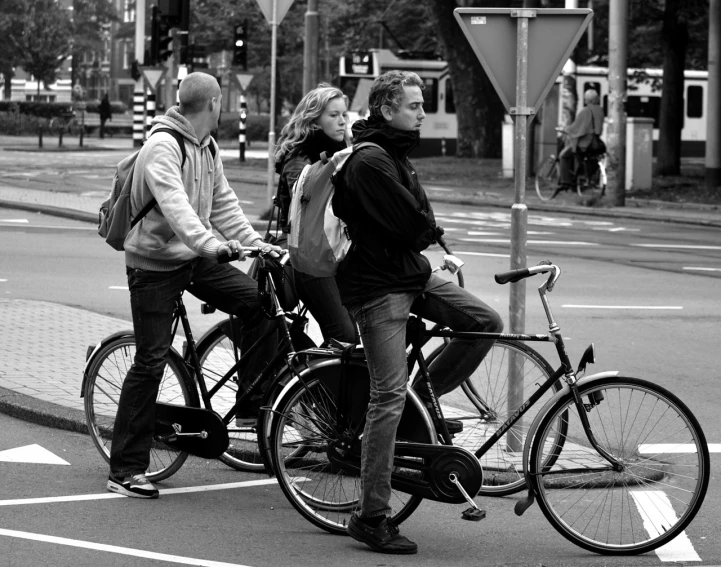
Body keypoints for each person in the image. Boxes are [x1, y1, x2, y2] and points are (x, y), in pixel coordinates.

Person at [332, 70, 504, 554]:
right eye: (413, 106)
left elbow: (418, 221)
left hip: (409, 273)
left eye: (422, 105)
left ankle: (423, 404)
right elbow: (412, 224)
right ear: (386, 109)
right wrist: (424, 227)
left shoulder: (394, 155)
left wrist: (425, 228)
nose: (422, 113)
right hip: (378, 287)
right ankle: (370, 516)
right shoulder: (370, 162)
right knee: (386, 398)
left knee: (484, 322)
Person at [107, 72, 281, 499]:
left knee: (259, 303)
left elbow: (223, 202)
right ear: (215, 104)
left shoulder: (207, 146)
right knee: (151, 359)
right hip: (153, 265)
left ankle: (252, 404)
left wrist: (256, 244)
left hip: (195, 259)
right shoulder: (162, 146)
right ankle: (125, 468)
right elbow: (177, 207)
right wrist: (213, 246)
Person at [274, 83, 358, 345]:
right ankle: (314, 384)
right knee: (344, 337)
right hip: (309, 257)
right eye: (333, 115)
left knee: (354, 334)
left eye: (344, 114)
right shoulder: (300, 156)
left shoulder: (339, 151)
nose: (342, 121)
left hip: (333, 253)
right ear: (314, 119)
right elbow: (304, 200)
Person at [558, 88, 604, 188]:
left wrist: (566, 129)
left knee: (563, 155)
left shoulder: (586, 111)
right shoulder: (600, 110)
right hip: (596, 143)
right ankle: (580, 178)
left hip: (585, 143)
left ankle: (565, 181)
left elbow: (577, 128)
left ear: (587, 99)